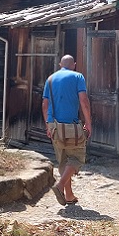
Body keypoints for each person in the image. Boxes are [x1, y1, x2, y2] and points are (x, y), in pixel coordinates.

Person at [42, 55, 92, 206]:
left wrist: (48, 125)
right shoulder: (78, 76)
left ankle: (69, 195)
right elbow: (83, 100)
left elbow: (45, 104)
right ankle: (60, 185)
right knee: (77, 157)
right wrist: (88, 123)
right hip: (71, 126)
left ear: (60, 64)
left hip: (54, 126)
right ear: (74, 65)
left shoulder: (50, 79)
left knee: (63, 159)